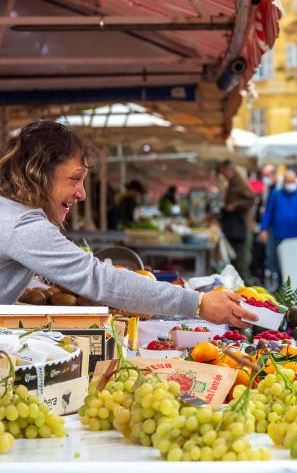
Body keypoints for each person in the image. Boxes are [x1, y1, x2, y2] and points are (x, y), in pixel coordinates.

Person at [0, 121, 256, 327]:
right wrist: (198, 303)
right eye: (75, 179)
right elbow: (98, 279)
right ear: (39, 173)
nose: (82, 193)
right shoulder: (22, 224)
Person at [258, 169, 297, 286]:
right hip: (279, 235)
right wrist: (263, 229)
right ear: (284, 182)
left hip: (296, 236)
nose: (290, 184)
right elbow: (268, 213)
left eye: (292, 182)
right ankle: (282, 289)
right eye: (288, 181)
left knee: (296, 263)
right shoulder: (276, 194)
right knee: (281, 264)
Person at [218, 160, 256, 284]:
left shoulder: (239, 181)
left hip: (241, 228)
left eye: (223, 171)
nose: (222, 174)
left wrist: (235, 205)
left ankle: (250, 293)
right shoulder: (233, 182)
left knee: (241, 264)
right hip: (235, 229)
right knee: (237, 263)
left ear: (229, 169)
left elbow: (251, 199)